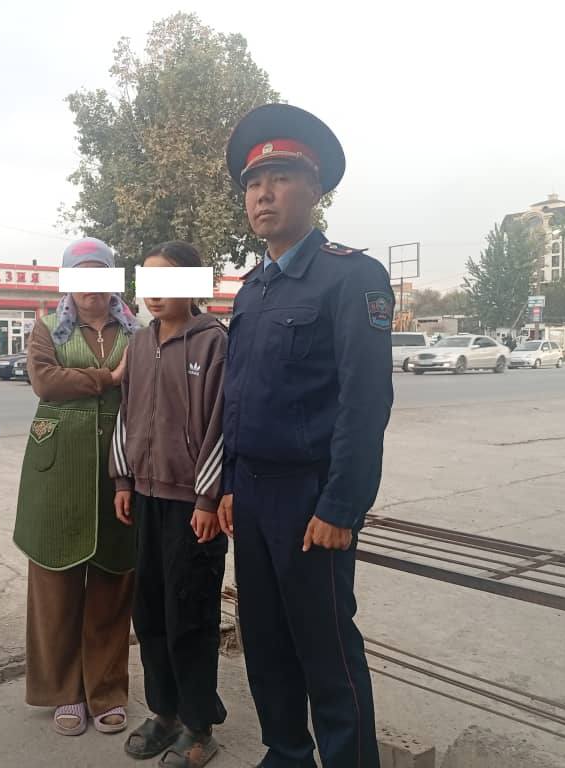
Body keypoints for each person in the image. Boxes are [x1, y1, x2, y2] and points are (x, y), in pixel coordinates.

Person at [217, 104, 394, 768]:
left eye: (281, 178)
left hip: (309, 498)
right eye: (253, 183)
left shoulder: (351, 277)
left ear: (315, 190)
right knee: (264, 639)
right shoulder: (251, 290)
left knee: (326, 647)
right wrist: (229, 484)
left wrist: (342, 505)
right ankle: (286, 752)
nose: (263, 194)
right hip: (252, 494)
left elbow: (365, 402)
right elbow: (239, 398)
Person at [13, 237, 139, 738]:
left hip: (119, 468)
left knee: (113, 582)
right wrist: (109, 377)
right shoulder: (47, 328)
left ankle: (105, 689)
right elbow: (46, 382)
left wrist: (88, 377)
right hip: (57, 468)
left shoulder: (135, 331)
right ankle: (63, 690)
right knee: (55, 584)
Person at [111, 242, 229, 767]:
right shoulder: (139, 343)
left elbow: (222, 424)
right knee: (151, 611)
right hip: (145, 496)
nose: (156, 295)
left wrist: (207, 497)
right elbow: (126, 413)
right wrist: (123, 480)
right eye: (149, 283)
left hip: (193, 506)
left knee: (191, 613)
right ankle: (164, 712)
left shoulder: (214, 341)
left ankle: (199, 725)